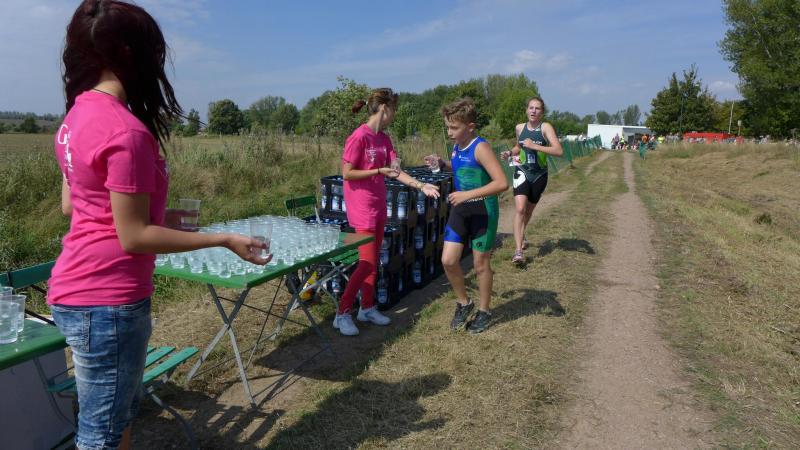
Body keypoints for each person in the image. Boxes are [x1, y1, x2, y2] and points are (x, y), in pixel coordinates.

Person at [49, 2, 268, 449]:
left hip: (76, 290)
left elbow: (77, 206)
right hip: (108, 299)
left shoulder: (74, 119)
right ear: (133, 53)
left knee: (118, 415)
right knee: (100, 434)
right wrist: (223, 239)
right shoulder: (125, 131)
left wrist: (161, 220)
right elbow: (132, 237)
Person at [335, 88, 440, 336]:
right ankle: (342, 313)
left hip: (380, 206)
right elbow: (347, 173)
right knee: (365, 263)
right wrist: (377, 171)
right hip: (362, 209)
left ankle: (367, 307)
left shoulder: (384, 139)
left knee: (374, 263)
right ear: (384, 108)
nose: (395, 114)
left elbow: (395, 171)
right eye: (394, 109)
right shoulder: (359, 137)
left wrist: (420, 185)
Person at [426, 98, 508, 334]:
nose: (449, 132)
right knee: (448, 261)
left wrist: (467, 194)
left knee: (480, 265)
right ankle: (464, 303)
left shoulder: (481, 147)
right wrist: (442, 164)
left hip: (483, 211)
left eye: (454, 127)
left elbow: (501, 183)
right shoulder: (457, 145)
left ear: (470, 127)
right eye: (447, 127)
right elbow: (460, 166)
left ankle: (484, 311)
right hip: (461, 209)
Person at [500, 97, 563, 265]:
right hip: (522, 171)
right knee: (520, 209)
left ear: (542, 112)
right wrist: (509, 153)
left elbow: (558, 151)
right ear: (526, 110)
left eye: (537, 108)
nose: (533, 111)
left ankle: (522, 234)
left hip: (539, 175)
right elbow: (519, 146)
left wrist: (535, 146)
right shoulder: (519, 128)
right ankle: (518, 251)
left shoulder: (545, 127)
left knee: (528, 211)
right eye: (531, 108)